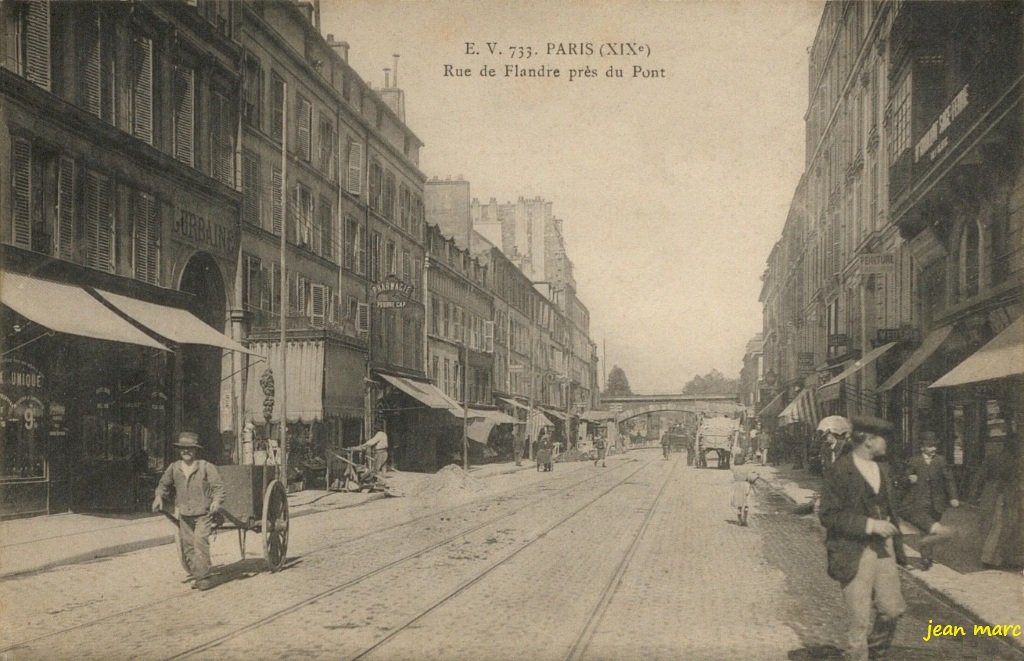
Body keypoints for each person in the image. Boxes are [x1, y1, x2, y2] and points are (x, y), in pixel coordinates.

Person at [819, 415, 907, 661]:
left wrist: (930, 524)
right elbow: (829, 515)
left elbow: (897, 506)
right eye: (883, 438)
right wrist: (870, 524)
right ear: (868, 440)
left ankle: (876, 653)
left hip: (883, 549)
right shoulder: (840, 470)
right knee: (859, 619)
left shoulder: (884, 468)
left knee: (892, 609)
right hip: (852, 550)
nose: (887, 443)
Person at [152, 432, 226, 591]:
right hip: (184, 514)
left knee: (200, 543)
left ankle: (204, 577)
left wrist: (216, 501)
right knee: (188, 547)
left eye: (190, 449)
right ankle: (198, 574)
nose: (186, 452)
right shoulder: (174, 468)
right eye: (183, 449)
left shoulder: (205, 467)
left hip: (203, 513)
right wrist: (159, 497)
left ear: (195, 450)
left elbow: (218, 487)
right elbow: (163, 484)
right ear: (179, 450)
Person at [900, 431, 958, 570]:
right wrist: (909, 479)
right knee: (925, 529)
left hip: (937, 502)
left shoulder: (941, 460)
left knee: (931, 530)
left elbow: (949, 480)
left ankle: (927, 555)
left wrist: (953, 497)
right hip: (919, 501)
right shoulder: (914, 461)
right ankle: (926, 558)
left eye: (935, 446)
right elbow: (902, 479)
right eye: (930, 446)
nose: (933, 449)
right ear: (923, 447)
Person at [971, 435, 1020, 569]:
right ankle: (991, 558)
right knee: (1002, 526)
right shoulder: (1016, 461)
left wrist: (975, 494)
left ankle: (991, 557)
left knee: (991, 524)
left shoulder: (992, 458)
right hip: (1005, 495)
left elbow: (979, 477)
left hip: (990, 494)